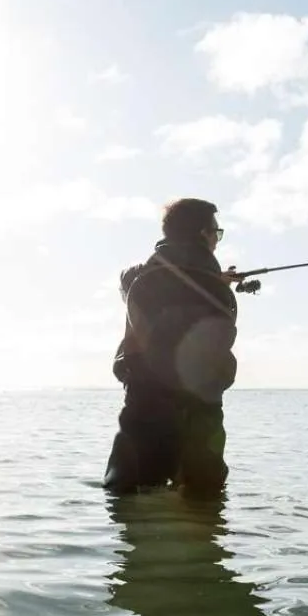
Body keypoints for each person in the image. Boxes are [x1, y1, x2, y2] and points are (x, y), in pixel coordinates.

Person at [102, 198, 241, 498]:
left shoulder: (138, 278)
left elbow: (129, 279)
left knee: (128, 498)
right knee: (204, 504)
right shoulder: (215, 289)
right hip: (199, 414)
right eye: (216, 233)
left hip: (143, 408)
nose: (217, 240)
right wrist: (215, 282)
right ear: (204, 234)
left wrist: (207, 278)